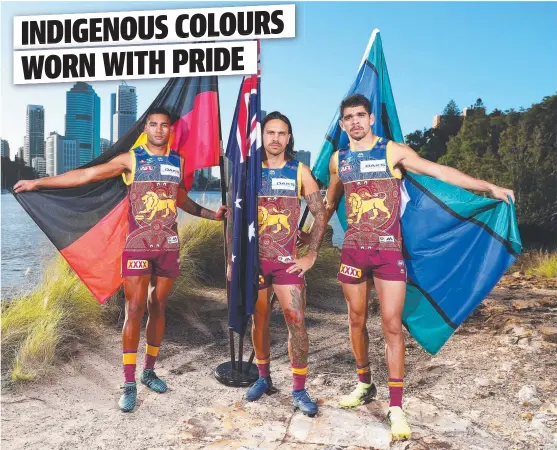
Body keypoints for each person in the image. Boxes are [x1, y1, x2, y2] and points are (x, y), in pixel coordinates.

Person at [299, 94, 514, 439]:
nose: (355, 121)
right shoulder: (339, 160)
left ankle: (396, 406)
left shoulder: (392, 151)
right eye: (348, 117)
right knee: (355, 319)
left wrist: (488, 187)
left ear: (370, 120)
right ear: (342, 125)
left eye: (360, 115)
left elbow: (439, 171)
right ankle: (364, 383)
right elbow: (330, 202)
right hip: (354, 250)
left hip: (387, 252)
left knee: (392, 325)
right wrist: (309, 235)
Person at [14, 107, 228, 413]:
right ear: (147, 128)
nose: (158, 129)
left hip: (167, 245)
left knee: (158, 307)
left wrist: (211, 214)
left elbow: (179, 199)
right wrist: (40, 182)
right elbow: (88, 174)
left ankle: (149, 371)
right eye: (152, 124)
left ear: (170, 130)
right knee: (134, 309)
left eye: (163, 125)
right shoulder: (132, 159)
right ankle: (128, 382)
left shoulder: (177, 162)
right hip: (138, 246)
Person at [227, 111, 327, 417]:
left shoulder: (300, 171)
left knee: (296, 321)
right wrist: (231, 259)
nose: (275, 138)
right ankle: (263, 377)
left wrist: (310, 254)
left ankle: (298, 389)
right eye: (270, 132)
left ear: (289, 138)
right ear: (262, 136)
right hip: (255, 262)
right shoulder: (248, 172)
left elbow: (320, 213)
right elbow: (234, 215)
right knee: (259, 321)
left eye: (282, 133)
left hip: (286, 263)